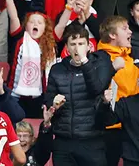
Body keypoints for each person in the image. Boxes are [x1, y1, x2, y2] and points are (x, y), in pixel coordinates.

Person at [45, 24, 113, 165]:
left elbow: (96, 89)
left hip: (92, 141)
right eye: (73, 44)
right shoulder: (57, 69)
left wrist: (84, 62)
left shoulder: (98, 65)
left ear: (89, 46)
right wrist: (54, 103)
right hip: (63, 141)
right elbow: (47, 100)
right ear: (67, 48)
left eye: (81, 44)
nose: (77, 48)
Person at [98, 16, 138, 165]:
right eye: (124, 28)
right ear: (112, 35)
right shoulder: (101, 59)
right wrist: (112, 68)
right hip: (111, 127)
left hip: (130, 125)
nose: (130, 31)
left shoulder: (129, 58)